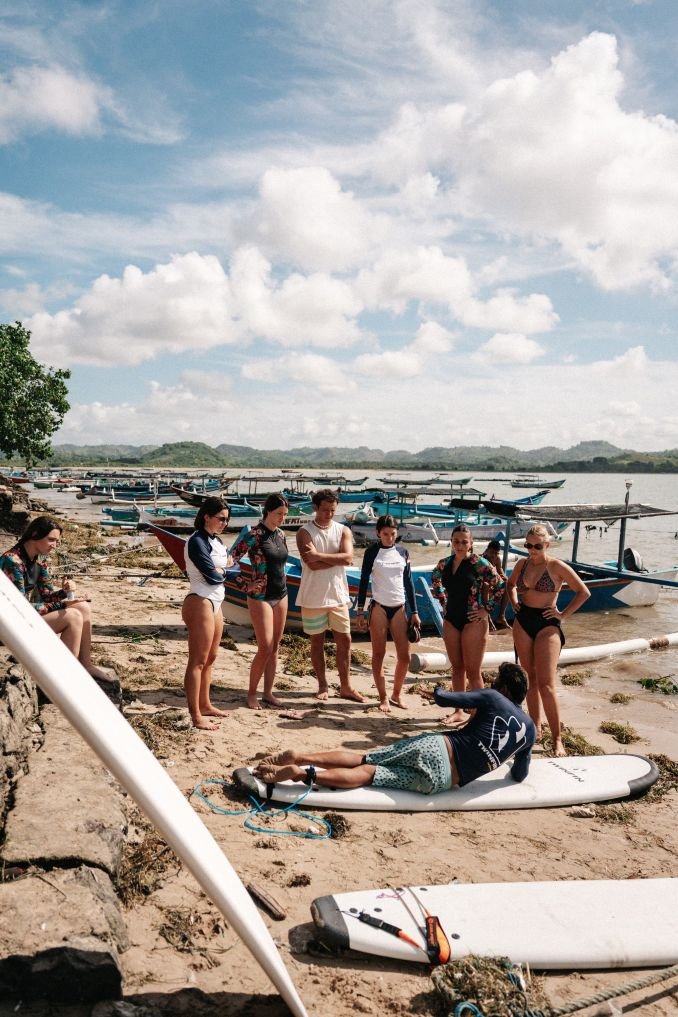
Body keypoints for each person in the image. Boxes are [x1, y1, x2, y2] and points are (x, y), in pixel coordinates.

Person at [254, 662, 535, 793]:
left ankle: (303, 758)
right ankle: (303, 774)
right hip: (441, 782)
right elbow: (520, 775)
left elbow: (445, 698)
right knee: (368, 775)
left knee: (365, 758)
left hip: (436, 746)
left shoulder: (493, 697)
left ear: (504, 689)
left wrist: (430, 689)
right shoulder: (530, 730)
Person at [506, 523, 591, 756]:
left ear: (547, 545)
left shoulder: (556, 566)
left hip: (547, 623)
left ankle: (557, 739)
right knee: (529, 679)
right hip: (523, 621)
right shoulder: (522, 564)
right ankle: (535, 728)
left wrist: (563, 614)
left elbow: (583, 592)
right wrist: (513, 602)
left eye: (537, 546)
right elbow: (510, 584)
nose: (532, 550)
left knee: (546, 684)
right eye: (528, 545)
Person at [1, 515, 116, 684]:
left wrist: (64, 592)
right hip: (8, 625)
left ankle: (86, 665)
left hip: (23, 619)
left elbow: (47, 595)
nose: (54, 546)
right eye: (51, 540)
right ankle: (66, 675)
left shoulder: (40, 558)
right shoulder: (12, 561)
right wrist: (62, 604)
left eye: (56, 541)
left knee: (82, 607)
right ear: (35, 535)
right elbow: (18, 608)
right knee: (73, 616)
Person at [431, 523, 504, 726]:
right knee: (457, 668)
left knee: (473, 670)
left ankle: (478, 716)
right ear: (451, 542)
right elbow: (435, 581)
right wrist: (443, 602)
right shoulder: (444, 563)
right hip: (451, 619)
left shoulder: (479, 563)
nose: (460, 545)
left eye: (464, 542)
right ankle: (459, 710)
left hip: (474, 621)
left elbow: (500, 586)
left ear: (471, 543)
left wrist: (486, 609)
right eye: (456, 541)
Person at [296, 488, 365, 703]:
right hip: (313, 596)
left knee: (345, 639)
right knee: (317, 641)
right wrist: (335, 558)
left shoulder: (343, 530)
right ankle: (322, 685)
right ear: (315, 508)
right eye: (325, 510)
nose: (329, 514)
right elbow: (311, 564)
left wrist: (319, 555)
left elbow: (348, 559)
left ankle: (346, 686)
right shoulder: (304, 532)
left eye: (333, 511)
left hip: (338, 595)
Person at [230, 493, 290, 711]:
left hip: (281, 595)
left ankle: (268, 693)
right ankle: (252, 694)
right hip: (260, 597)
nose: (282, 518)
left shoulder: (281, 535)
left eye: (284, 514)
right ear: (267, 512)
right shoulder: (254, 534)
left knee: (275, 647)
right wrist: (245, 585)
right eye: (278, 514)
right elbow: (230, 561)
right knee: (264, 647)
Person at [355, 514, 420, 711]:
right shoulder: (371, 552)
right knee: (379, 654)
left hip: (400, 608)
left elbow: (408, 582)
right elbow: (364, 581)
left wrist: (415, 611)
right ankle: (383, 697)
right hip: (379, 608)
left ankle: (396, 694)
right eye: (385, 534)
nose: (389, 538)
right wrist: (360, 611)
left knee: (405, 656)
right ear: (378, 533)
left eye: (392, 534)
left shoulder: (403, 552)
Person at [182, 497, 232, 730]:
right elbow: (212, 576)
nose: (225, 523)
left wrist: (224, 570)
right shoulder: (197, 541)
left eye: (227, 520)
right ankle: (195, 715)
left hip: (216, 601)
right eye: (221, 519)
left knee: (211, 658)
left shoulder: (217, 541)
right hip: (200, 600)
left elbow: (231, 568)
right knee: (198, 661)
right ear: (206, 517)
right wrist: (225, 569)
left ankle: (205, 704)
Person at [482, 539, 509, 629]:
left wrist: (504, 577)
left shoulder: (497, 558)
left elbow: (500, 570)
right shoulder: (482, 559)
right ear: (487, 550)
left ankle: (501, 616)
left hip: (493, 583)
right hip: (483, 586)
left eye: (496, 553)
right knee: (486, 585)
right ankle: (488, 617)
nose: (493, 555)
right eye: (492, 552)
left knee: (508, 584)